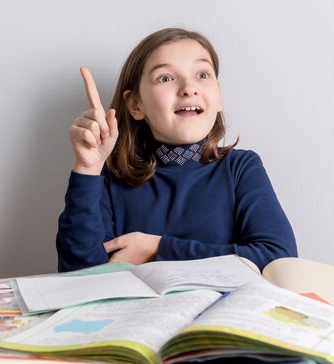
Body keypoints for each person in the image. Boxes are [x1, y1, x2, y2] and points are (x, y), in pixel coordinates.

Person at [56, 28, 297, 272]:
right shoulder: (109, 175)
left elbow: (279, 259)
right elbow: (80, 274)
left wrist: (158, 249)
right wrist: (87, 168)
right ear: (136, 105)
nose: (189, 88)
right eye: (165, 78)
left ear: (219, 97)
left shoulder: (241, 168)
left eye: (202, 74)